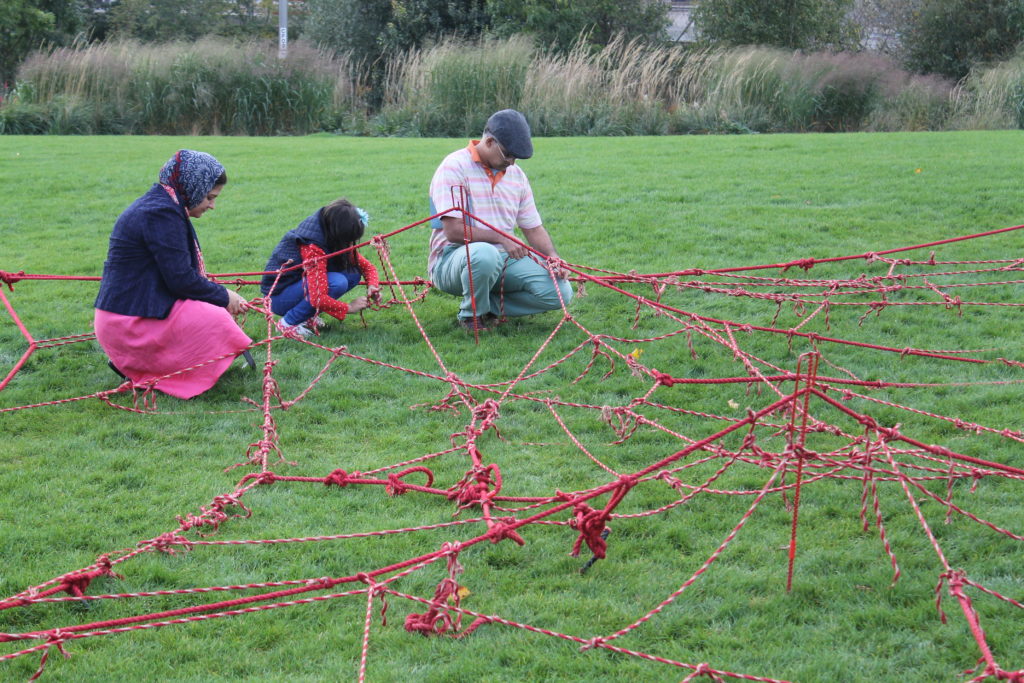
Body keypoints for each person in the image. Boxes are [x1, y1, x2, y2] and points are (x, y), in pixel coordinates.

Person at [93, 149, 252, 399]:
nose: (213, 206)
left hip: (134, 309)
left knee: (212, 312)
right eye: (210, 197)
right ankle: (143, 366)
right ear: (193, 187)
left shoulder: (165, 204)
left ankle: (148, 366)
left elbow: (178, 276)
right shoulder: (161, 213)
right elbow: (181, 280)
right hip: (127, 322)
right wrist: (224, 296)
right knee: (215, 319)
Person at [427, 108, 573, 331]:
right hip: (451, 260)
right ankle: (471, 316)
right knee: (485, 254)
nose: (512, 162)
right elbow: (453, 232)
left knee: (560, 292)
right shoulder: (453, 167)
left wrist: (553, 257)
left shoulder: (517, 176)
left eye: (516, 157)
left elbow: (532, 227)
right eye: (508, 154)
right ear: (489, 141)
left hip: (503, 259)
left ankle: (489, 306)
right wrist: (501, 237)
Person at [260, 198, 380, 338]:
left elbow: (367, 267)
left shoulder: (330, 232)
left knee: (352, 274)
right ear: (339, 233)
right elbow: (318, 297)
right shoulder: (313, 246)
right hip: (279, 298)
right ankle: (288, 323)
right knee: (337, 282)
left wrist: (373, 286)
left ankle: (307, 316)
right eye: (348, 240)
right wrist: (349, 308)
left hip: (299, 286)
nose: (349, 244)